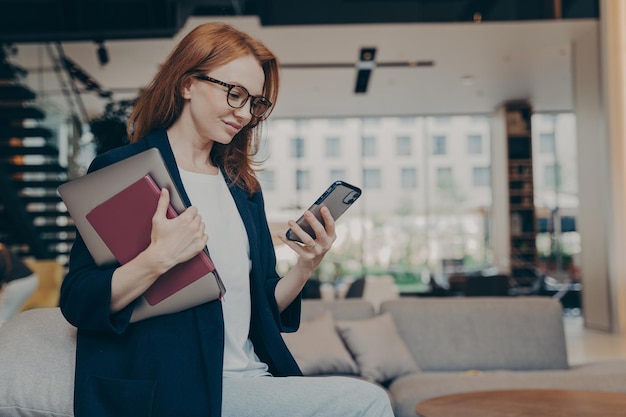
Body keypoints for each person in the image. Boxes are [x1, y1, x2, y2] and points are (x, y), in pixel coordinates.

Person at [59, 22, 394, 417]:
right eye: (234, 93)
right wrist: (157, 259)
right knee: (368, 402)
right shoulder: (123, 171)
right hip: (176, 389)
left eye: (255, 103)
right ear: (187, 84)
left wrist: (306, 266)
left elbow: (261, 305)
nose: (244, 113)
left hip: (251, 377)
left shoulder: (243, 188)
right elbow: (79, 300)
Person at [0, 243, 39, 327]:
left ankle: (5, 337)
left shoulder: (1, 253)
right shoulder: (2, 249)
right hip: (28, 279)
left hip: (19, 282)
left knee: (3, 315)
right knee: (7, 314)